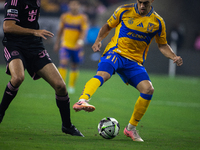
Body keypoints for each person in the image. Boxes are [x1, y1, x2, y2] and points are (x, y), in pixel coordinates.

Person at [73, 0, 183, 142]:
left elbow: (162, 45)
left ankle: (130, 128)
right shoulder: (124, 10)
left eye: (146, 3)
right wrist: (98, 40)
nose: (142, 6)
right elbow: (108, 25)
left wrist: (174, 56)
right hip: (116, 52)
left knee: (148, 89)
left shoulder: (158, 22)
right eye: (140, 2)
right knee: (103, 75)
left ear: (152, 1)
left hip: (134, 61)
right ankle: (82, 100)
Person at [0, 0, 84, 137]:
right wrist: (34, 31)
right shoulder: (15, 1)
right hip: (14, 45)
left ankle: (67, 125)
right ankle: (1, 112)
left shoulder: (38, 2)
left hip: (34, 47)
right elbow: (8, 27)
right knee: (18, 77)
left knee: (60, 86)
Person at [54, 0, 89, 94]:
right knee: (63, 62)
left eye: (76, 4)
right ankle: (61, 84)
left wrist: (80, 42)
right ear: (69, 5)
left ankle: (71, 86)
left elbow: (84, 31)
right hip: (65, 44)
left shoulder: (83, 17)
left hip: (76, 46)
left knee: (74, 65)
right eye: (72, 4)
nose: (74, 6)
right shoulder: (65, 16)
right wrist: (57, 43)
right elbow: (60, 30)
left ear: (79, 6)